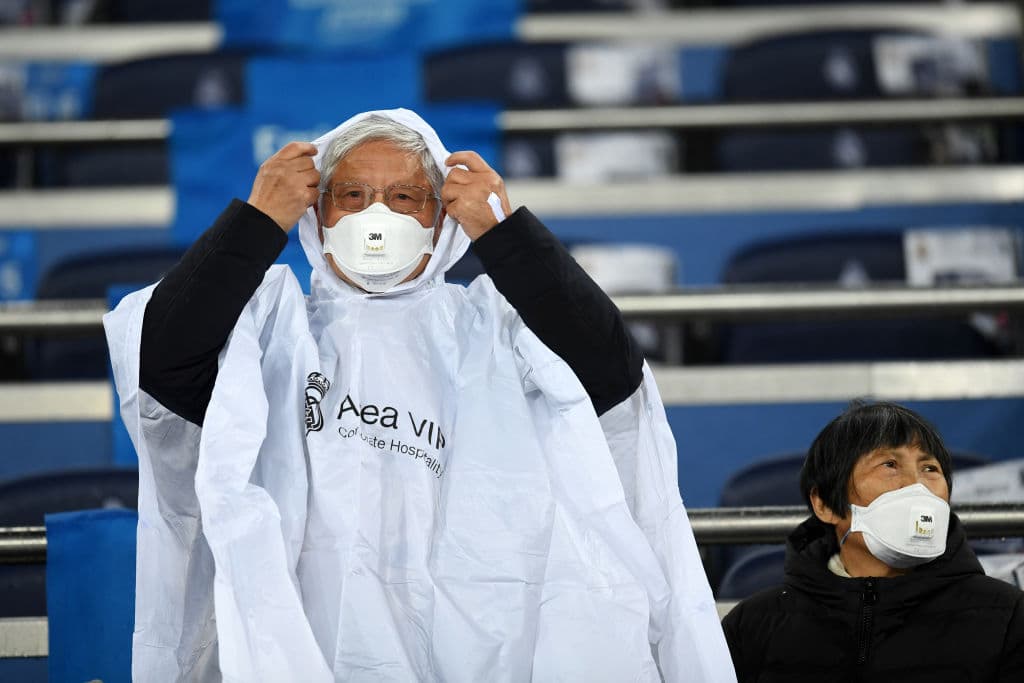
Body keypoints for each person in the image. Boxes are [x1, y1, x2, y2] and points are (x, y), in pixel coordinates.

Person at [105, 108, 734, 682]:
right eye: (351, 196)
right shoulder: (269, 329)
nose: (375, 215)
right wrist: (255, 222)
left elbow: (611, 378)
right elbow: (160, 372)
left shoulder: (498, 328)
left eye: (405, 197)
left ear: (441, 220)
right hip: (301, 650)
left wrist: (505, 234)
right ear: (316, 215)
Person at [721, 400, 1024, 682]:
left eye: (930, 468)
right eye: (889, 465)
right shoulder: (752, 627)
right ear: (825, 505)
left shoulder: (1008, 618)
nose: (916, 486)